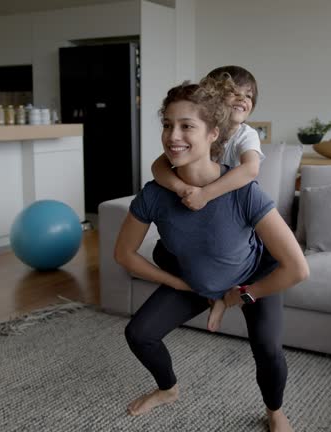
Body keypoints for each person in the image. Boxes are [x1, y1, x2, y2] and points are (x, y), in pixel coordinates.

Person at [114, 77, 309, 432]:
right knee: (139, 333)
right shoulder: (156, 193)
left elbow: (297, 268)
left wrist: (241, 295)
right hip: (197, 280)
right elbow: (125, 254)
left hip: (252, 278)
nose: (173, 136)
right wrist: (180, 284)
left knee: (267, 349)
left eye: (187, 126)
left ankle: (275, 411)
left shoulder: (245, 192)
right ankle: (168, 389)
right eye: (167, 125)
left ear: (213, 134)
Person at [150, 65, 264, 331]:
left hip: (234, 215)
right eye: (234, 93)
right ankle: (212, 296)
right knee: (164, 252)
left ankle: (223, 295)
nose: (242, 99)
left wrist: (204, 194)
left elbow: (250, 169)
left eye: (248, 96)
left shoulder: (246, 135)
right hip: (200, 213)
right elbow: (158, 167)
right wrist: (181, 189)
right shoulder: (196, 132)